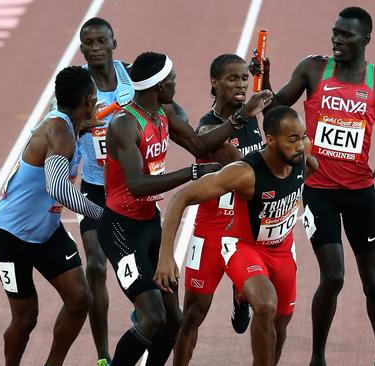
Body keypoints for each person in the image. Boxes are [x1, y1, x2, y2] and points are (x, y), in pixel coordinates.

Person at [250, 6, 375, 366]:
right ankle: (317, 356)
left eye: (346, 34)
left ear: (365, 39)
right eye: (335, 32)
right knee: (333, 276)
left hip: (361, 192)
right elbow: (273, 113)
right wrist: (266, 81)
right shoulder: (314, 69)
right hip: (319, 190)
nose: (337, 39)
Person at [97, 51, 272, 366]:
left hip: (150, 224)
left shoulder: (162, 113)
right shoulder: (125, 124)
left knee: (173, 322)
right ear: (159, 85)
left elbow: (198, 144)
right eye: (173, 80)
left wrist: (241, 116)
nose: (177, 84)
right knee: (151, 318)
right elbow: (137, 185)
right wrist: (193, 174)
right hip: (121, 229)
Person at [156, 106, 317, 366]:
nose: (301, 145)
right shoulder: (245, 173)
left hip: (282, 249)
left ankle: (243, 298)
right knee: (264, 305)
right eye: (292, 140)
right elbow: (181, 197)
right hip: (243, 247)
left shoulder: (303, 157)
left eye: (303, 137)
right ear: (271, 141)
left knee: (281, 323)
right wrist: (166, 256)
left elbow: (311, 169)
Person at [77, 18, 190, 365]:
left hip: (140, 200)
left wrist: (177, 119)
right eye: (88, 43)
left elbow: (171, 110)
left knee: (166, 315)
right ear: (82, 48)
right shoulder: (79, 85)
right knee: (95, 266)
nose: (95, 48)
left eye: (101, 41)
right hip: (98, 192)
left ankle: (142, 306)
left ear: (114, 42)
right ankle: (102, 354)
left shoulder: (132, 76)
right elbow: (63, 122)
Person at [0, 66, 103, 366]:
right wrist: (101, 214)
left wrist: (83, 126)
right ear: (88, 101)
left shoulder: (67, 125)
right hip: (9, 236)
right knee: (25, 319)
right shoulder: (58, 131)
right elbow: (58, 188)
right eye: (94, 99)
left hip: (46, 232)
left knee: (80, 299)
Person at [173, 54, 264, 366]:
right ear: (215, 83)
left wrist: (267, 78)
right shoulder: (207, 128)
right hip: (210, 230)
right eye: (232, 79)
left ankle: (241, 295)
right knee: (192, 315)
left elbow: (277, 111)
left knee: (265, 300)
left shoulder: (252, 117)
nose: (241, 85)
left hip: (246, 230)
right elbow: (243, 165)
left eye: (244, 78)